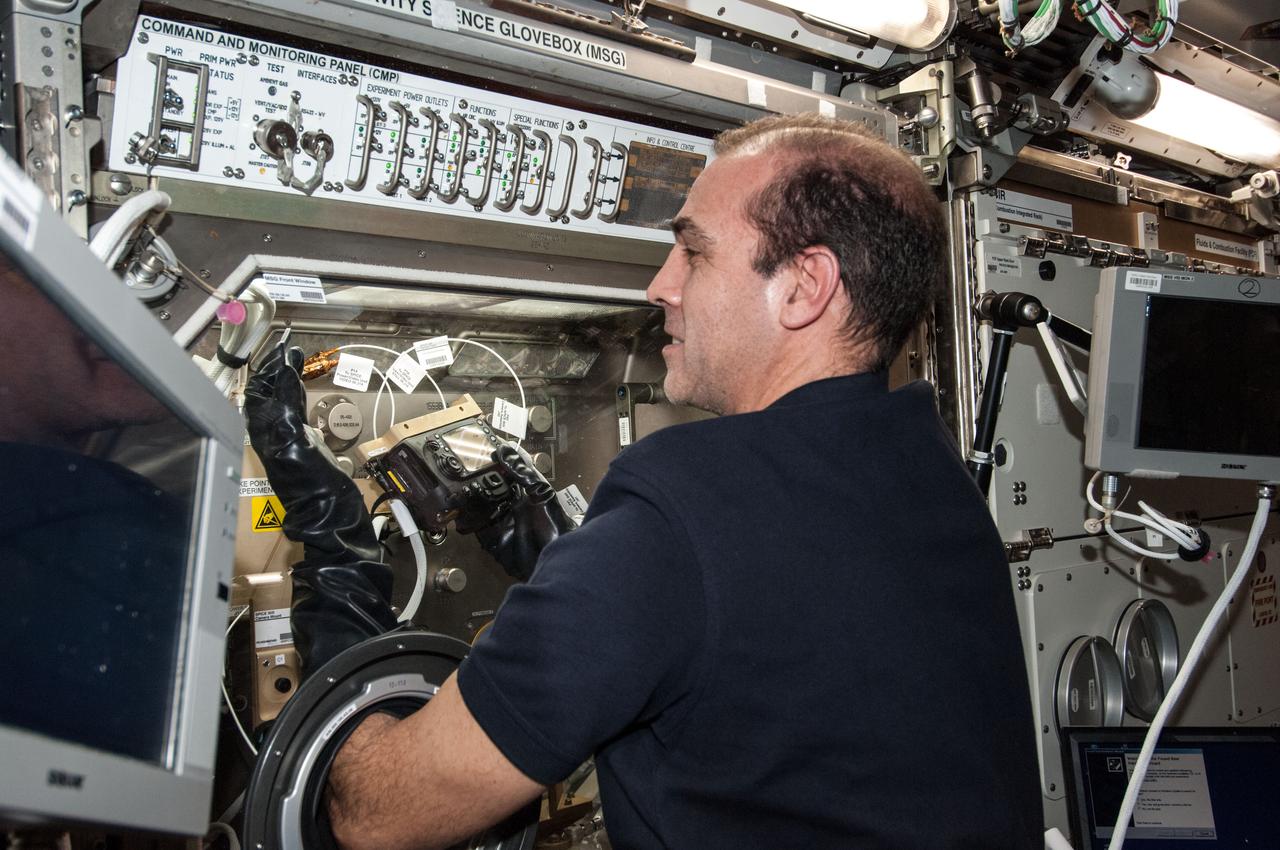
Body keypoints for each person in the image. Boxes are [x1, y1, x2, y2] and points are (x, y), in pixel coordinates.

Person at [319, 113, 1044, 849]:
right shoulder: (931, 473)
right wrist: (583, 575)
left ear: (804, 287)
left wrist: (338, 594)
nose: (659, 285)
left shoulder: (684, 500)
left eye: (693, 252)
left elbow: (379, 813)